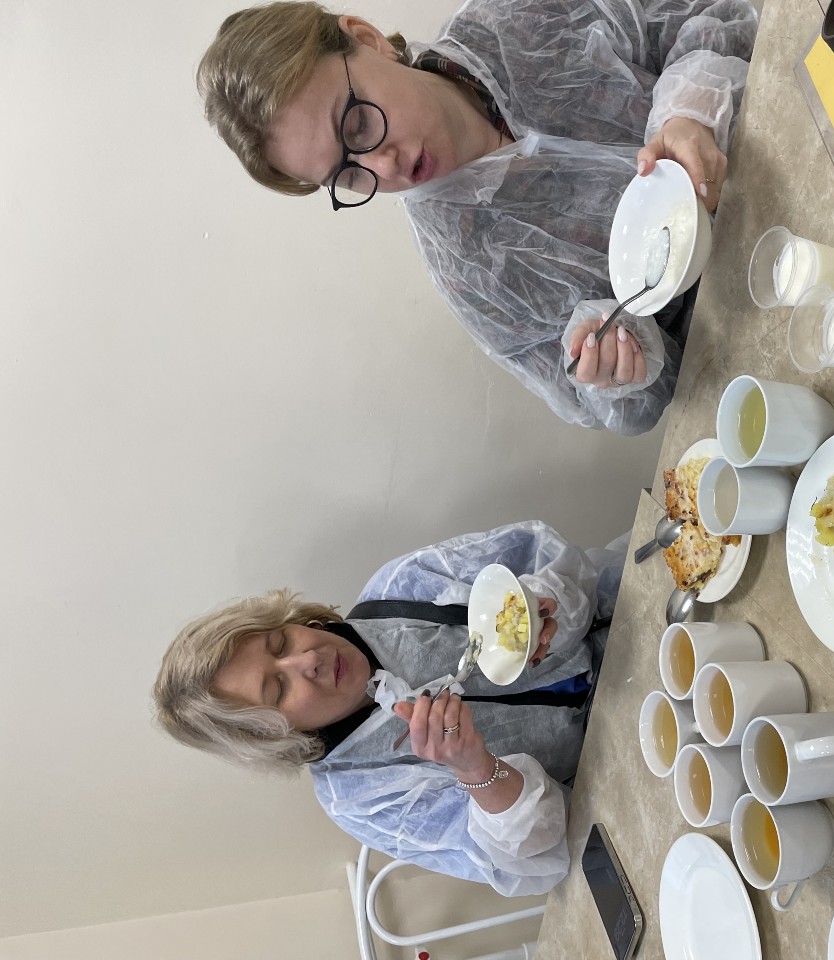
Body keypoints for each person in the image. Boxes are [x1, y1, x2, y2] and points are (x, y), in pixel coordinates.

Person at [197, 0, 757, 435]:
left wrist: (691, 109)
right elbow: (643, 404)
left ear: (368, 40)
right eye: (347, 175)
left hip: (777, 152)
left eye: (358, 124)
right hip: (751, 318)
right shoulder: (470, 268)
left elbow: (707, 13)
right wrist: (619, 367)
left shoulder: (517, 19)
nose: (383, 166)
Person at [153, 521, 624, 895]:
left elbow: (551, 558)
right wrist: (474, 768)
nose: (307, 660)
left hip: (632, 626)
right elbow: (534, 856)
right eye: (278, 688)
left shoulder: (398, 590)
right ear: (274, 733)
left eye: (280, 642)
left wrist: (545, 608)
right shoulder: (358, 795)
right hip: (620, 765)